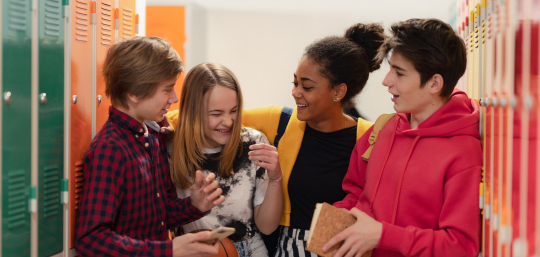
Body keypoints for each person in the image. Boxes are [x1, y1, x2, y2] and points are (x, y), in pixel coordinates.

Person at [325, 19, 482, 257]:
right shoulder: (383, 129)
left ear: (434, 83)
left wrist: (383, 235)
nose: (386, 81)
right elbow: (356, 193)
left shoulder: (463, 152)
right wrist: (339, 217)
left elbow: (459, 245)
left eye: (399, 73)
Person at [241, 23, 386, 257]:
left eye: (306, 86)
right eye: (295, 82)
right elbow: (212, 115)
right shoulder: (280, 122)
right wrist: (163, 124)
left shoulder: (372, 138)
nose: (296, 92)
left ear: (338, 92)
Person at [75, 37, 225, 257]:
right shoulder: (110, 149)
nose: (174, 98)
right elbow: (91, 239)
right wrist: (169, 249)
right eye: (167, 89)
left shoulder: (152, 137)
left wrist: (194, 205)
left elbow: (159, 214)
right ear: (134, 93)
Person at [167, 63, 284, 257]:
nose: (228, 122)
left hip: (250, 249)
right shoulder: (169, 149)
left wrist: (276, 177)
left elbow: (267, 226)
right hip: (196, 251)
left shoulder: (253, 143)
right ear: (192, 112)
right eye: (216, 114)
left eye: (234, 111)